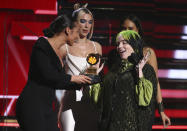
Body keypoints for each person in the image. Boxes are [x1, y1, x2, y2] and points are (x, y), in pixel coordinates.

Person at [16, 14, 92, 131]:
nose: (78, 36)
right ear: (68, 30)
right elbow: (48, 75)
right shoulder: (41, 45)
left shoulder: (59, 52)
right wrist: (73, 78)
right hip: (32, 105)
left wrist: (82, 82)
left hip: (46, 107)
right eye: (77, 32)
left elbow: (58, 82)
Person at [56, 3, 103, 131]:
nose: (87, 25)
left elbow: (93, 75)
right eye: (83, 21)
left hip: (90, 101)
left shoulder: (96, 47)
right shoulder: (64, 46)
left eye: (90, 22)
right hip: (69, 98)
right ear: (74, 23)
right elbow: (56, 77)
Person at [99, 30, 158, 131]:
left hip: (134, 126)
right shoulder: (114, 69)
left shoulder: (146, 69)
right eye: (117, 44)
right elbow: (102, 99)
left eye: (124, 43)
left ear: (134, 45)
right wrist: (94, 76)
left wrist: (139, 72)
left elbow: (146, 101)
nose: (119, 46)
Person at [120, 14, 171, 127]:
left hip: (144, 107)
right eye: (124, 29)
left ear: (138, 30)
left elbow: (155, 82)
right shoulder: (118, 54)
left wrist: (161, 111)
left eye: (131, 28)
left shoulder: (148, 52)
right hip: (123, 108)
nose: (127, 32)